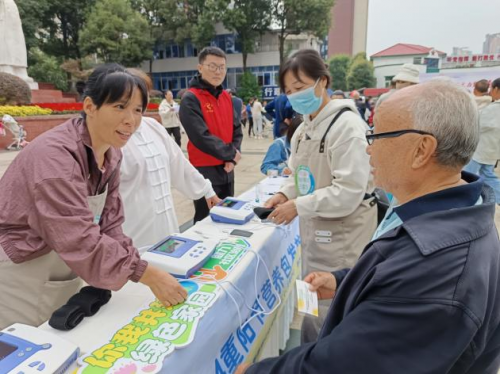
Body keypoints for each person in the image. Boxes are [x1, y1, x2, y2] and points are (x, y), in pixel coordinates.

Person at [237, 79, 500, 374]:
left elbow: (346, 365)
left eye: (376, 135)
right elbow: (395, 275)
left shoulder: (439, 267)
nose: (367, 149)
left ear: (421, 150)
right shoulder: (444, 210)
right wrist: (344, 281)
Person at [0, 64, 187, 329]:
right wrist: (145, 273)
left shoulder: (110, 153)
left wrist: (133, 260)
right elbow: (78, 236)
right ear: (89, 106)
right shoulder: (54, 159)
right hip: (21, 273)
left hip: (63, 263)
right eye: (120, 107)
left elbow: (110, 222)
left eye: (137, 110)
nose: (131, 120)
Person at [265, 49, 377, 343]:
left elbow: (349, 192)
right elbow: (299, 176)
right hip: (315, 234)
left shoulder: (347, 127)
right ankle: (309, 355)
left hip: (342, 239)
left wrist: (298, 205)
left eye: (300, 87)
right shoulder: (303, 129)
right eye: (289, 91)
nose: (294, 96)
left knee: (335, 314)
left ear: (322, 81)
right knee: (312, 305)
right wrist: (282, 194)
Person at [120, 70, 220, 249]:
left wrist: (206, 189)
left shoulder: (152, 126)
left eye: (145, 94)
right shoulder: (113, 136)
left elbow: (178, 164)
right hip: (132, 235)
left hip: (166, 229)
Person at [179, 47, 243, 223]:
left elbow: (237, 130)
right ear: (200, 67)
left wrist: (232, 158)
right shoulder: (190, 99)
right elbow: (201, 137)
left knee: (228, 213)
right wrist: (230, 153)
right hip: (204, 170)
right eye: (213, 66)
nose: (218, 71)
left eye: (222, 67)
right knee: (205, 218)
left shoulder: (226, 97)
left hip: (227, 168)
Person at [464, 77, 500, 204]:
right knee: (488, 175)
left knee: (465, 175)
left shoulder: (493, 108)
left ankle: (464, 201)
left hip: (481, 149)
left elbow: (476, 126)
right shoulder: (490, 105)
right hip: (493, 149)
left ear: (496, 89)